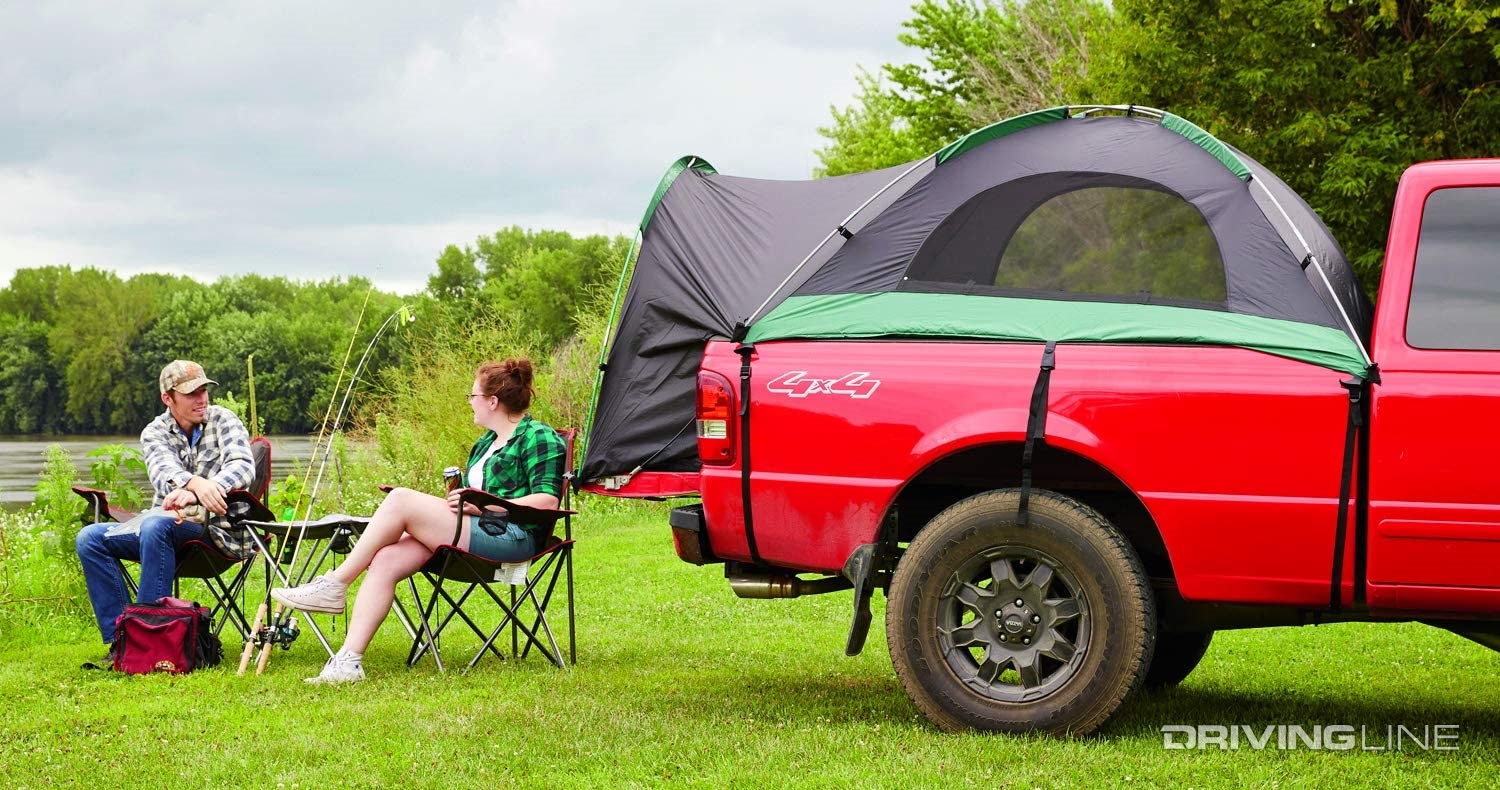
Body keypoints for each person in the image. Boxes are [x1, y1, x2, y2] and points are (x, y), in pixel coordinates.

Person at [271, 358, 565, 683]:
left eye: (473, 396)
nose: (470, 403)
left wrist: (483, 507)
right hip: (475, 531)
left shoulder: (539, 437)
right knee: (385, 559)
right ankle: (348, 663)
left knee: (400, 500)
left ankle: (335, 584)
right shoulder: (485, 443)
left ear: (492, 401)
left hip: (513, 538)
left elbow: (547, 500)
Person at [75, 360, 256, 655]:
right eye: (191, 393)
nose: (202, 399)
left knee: (155, 525)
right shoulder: (154, 432)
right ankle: (121, 641)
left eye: (204, 390)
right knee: (90, 538)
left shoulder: (224, 420)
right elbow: (163, 474)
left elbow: (243, 466)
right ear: (167, 398)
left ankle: (152, 641)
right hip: (164, 527)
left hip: (217, 532)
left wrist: (204, 492)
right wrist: (196, 485)